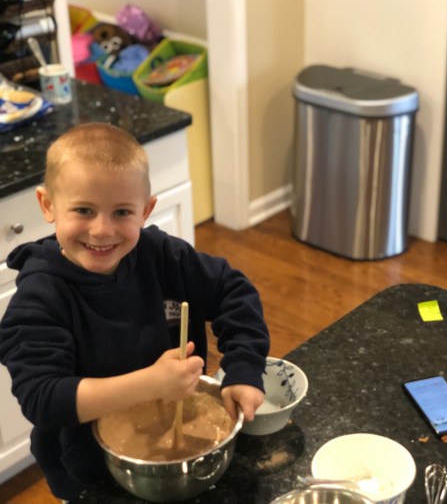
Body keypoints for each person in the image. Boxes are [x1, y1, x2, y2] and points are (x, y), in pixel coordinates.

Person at [0, 123, 270, 501]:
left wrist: (244, 367)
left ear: (146, 210)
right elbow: (43, 398)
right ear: (48, 205)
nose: (101, 230)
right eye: (83, 210)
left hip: (183, 458)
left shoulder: (163, 256)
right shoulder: (40, 298)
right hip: (89, 475)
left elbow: (233, 291)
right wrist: (151, 384)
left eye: (122, 212)